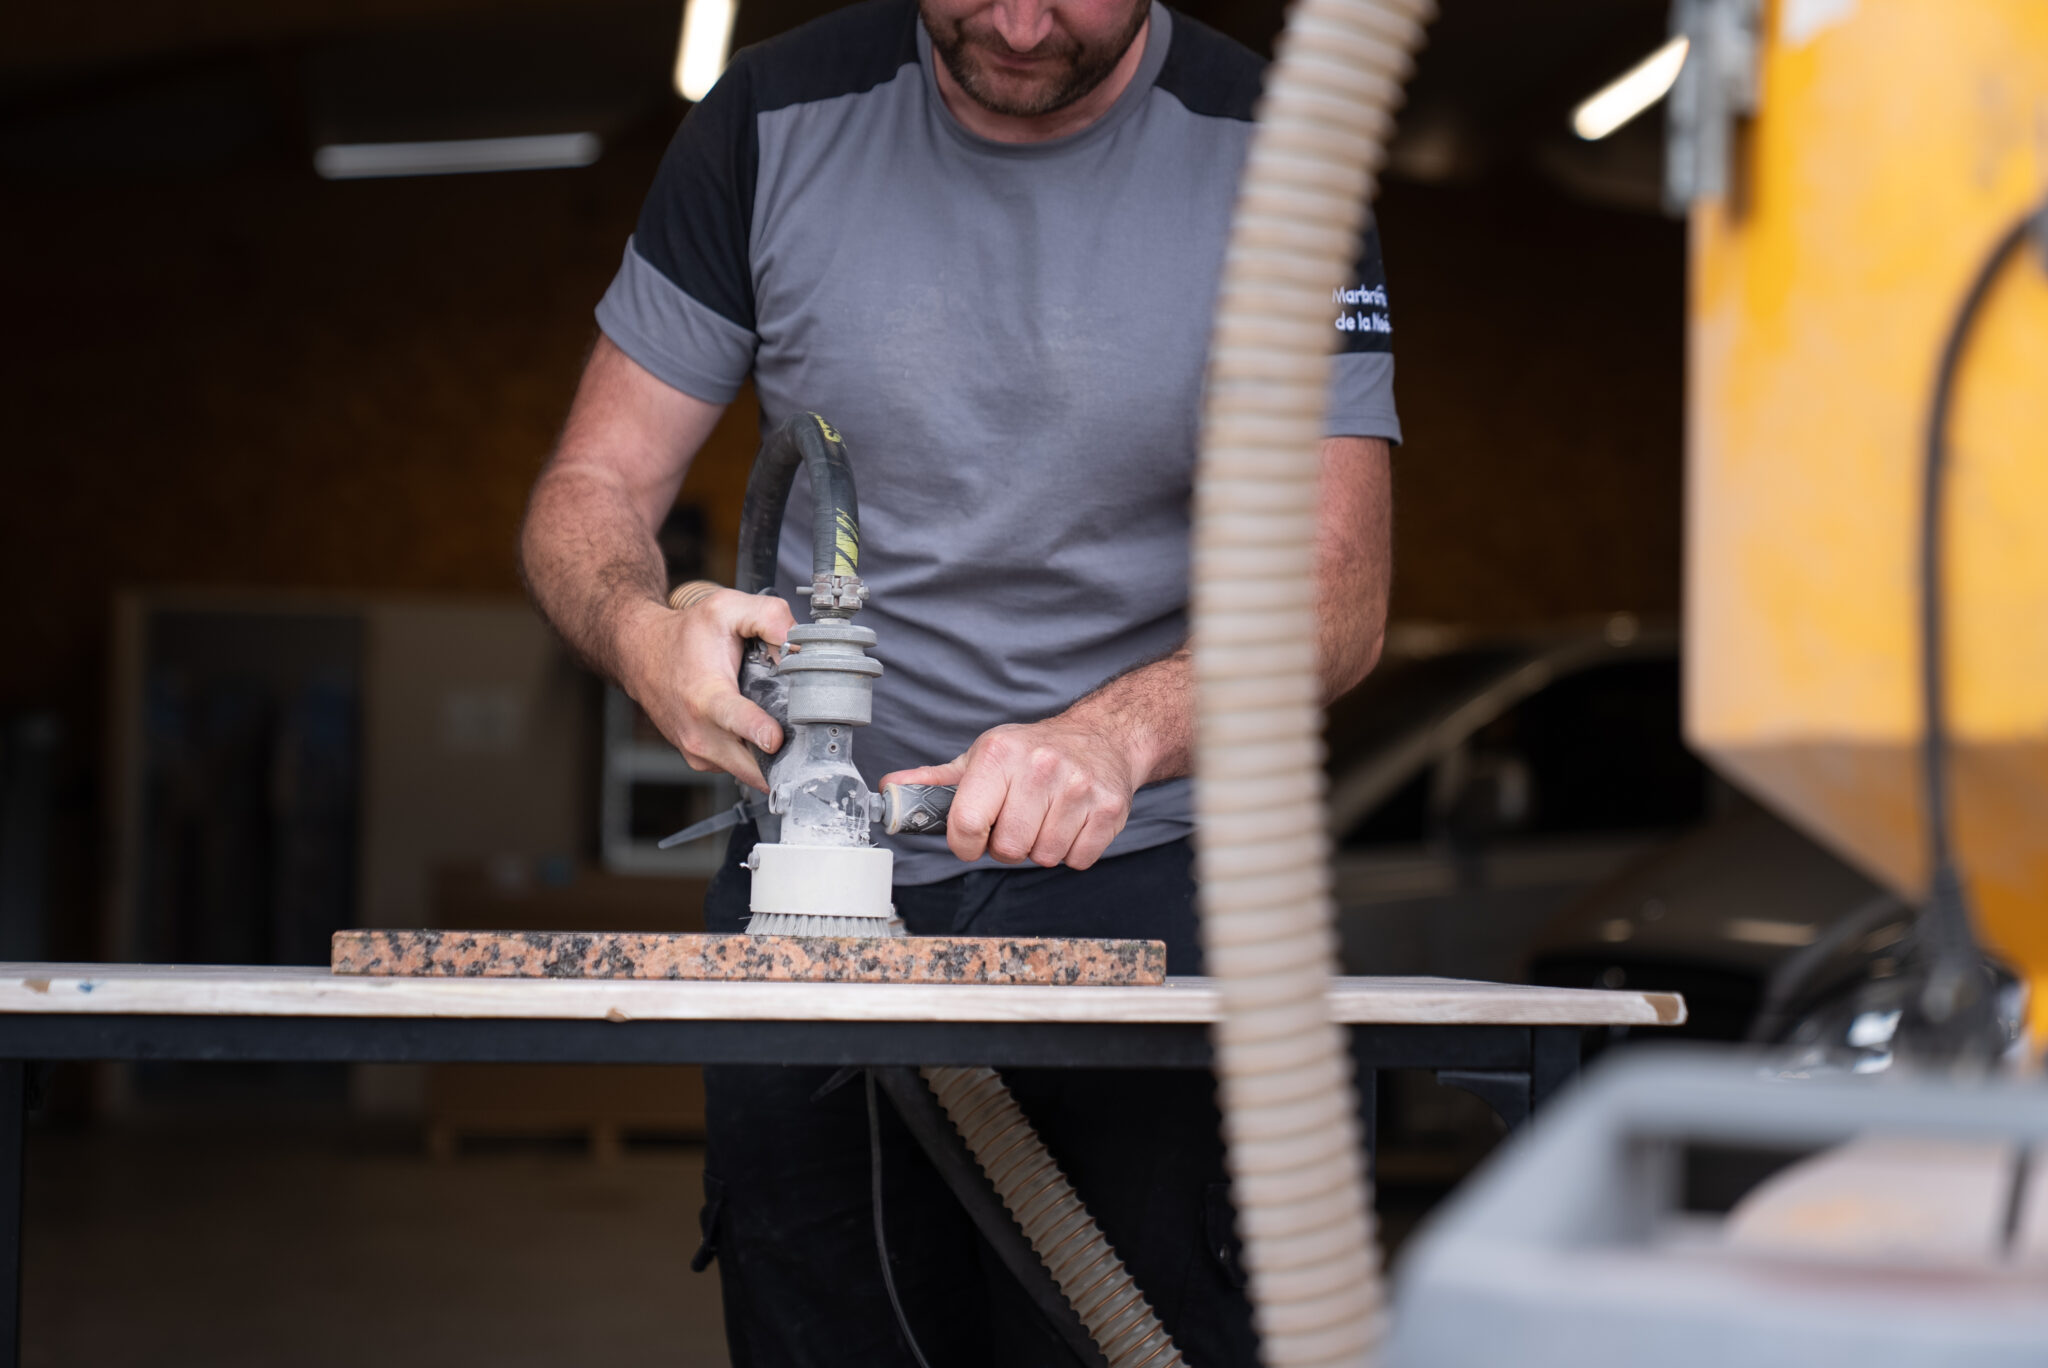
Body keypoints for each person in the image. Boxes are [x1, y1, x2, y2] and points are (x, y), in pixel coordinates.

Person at [519, 0, 1399, 1360]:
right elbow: (590, 490)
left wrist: (1115, 737)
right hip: (816, 905)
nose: (1021, 22)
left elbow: (1335, 598)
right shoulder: (770, 120)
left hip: (1143, 888)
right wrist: (640, 626)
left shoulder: (1276, 146)